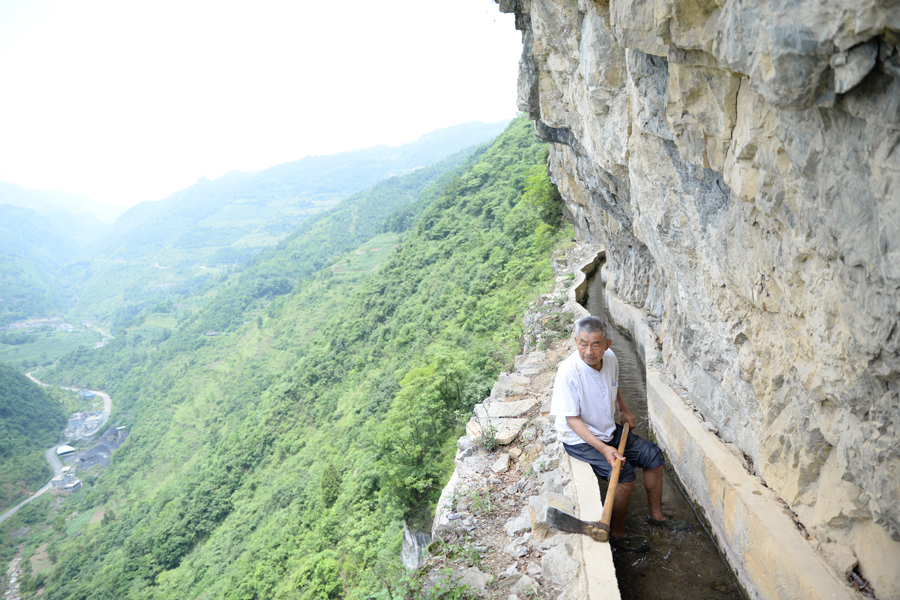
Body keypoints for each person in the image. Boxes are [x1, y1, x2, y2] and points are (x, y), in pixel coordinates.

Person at [550, 315, 689, 545]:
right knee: (623, 474)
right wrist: (605, 449)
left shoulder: (611, 359)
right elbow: (572, 421)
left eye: (596, 344)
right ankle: (616, 534)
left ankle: (657, 517)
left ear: (607, 345)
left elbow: (614, 385)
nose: (589, 351)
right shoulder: (568, 372)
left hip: (606, 429)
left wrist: (622, 409)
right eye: (583, 343)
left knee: (652, 455)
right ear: (576, 341)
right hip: (579, 438)